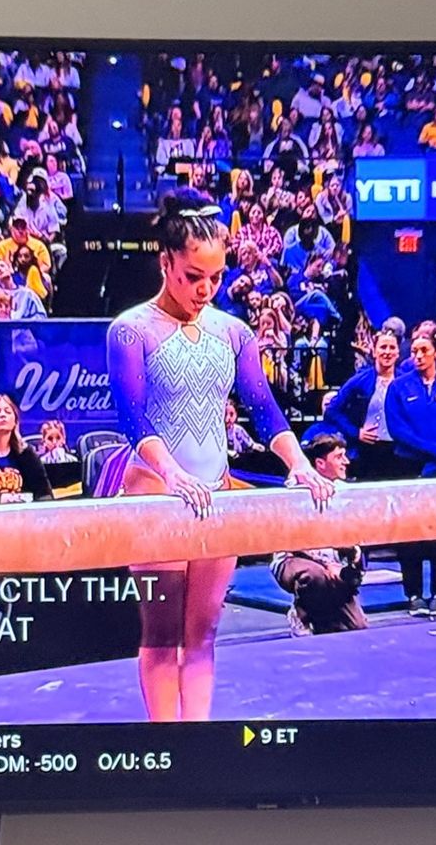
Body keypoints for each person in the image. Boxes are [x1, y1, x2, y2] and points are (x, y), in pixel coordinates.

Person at [105, 189, 331, 722]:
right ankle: (168, 744)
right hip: (156, 492)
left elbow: (263, 407)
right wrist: (174, 473)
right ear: (165, 263)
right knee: (162, 632)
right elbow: (132, 415)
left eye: (216, 277)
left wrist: (298, 465)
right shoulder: (130, 330)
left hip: (215, 492)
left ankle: (197, 739)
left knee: (203, 631)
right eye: (192, 277)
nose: (205, 289)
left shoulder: (234, 332)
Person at [385, 328, 436, 618]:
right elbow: (398, 430)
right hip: (409, 467)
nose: (418, 356)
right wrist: (435, 452)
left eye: (424, 350)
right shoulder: (399, 387)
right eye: (414, 352)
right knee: (410, 535)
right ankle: (414, 594)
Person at [271, 434, 367, 635]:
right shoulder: (297, 489)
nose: (346, 462)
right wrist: (326, 565)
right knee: (315, 576)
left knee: (357, 628)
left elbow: (354, 540)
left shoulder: (346, 493)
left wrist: (352, 560)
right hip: (293, 559)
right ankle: (301, 614)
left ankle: (323, 618)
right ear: (320, 463)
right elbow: (290, 541)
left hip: (333, 564)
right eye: (339, 457)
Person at [325, 330, 400, 480]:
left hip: (398, 451)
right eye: (383, 347)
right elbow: (331, 411)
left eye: (392, 348)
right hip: (365, 452)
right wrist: (355, 432)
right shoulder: (358, 381)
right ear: (374, 351)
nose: (387, 352)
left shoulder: (407, 381)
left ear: (398, 352)